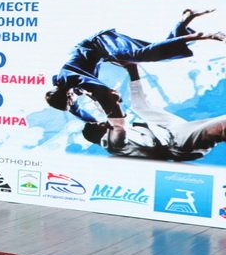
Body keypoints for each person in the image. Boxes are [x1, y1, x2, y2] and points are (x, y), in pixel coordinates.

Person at [45, 9, 224, 122]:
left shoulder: (67, 78)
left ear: (67, 97)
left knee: (138, 55)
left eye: (71, 102)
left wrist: (110, 103)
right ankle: (184, 21)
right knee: (159, 54)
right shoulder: (71, 91)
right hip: (106, 52)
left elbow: (96, 88)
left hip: (100, 43)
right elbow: (78, 112)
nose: (74, 102)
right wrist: (96, 122)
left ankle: (204, 35)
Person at [81, 63, 226, 161]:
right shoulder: (113, 143)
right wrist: (110, 101)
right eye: (97, 124)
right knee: (220, 126)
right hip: (176, 144)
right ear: (98, 133)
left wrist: (94, 96)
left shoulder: (108, 131)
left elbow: (108, 114)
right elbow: (119, 125)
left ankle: (132, 67)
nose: (101, 123)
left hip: (166, 129)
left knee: (140, 106)